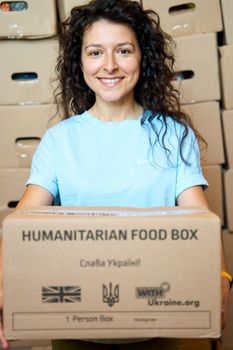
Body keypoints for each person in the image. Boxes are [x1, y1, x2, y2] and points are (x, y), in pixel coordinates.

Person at [0, 0, 231, 349]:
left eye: (123, 50)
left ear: (142, 58)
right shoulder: (60, 140)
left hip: (162, 326)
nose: (109, 65)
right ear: (80, 63)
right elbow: (22, 223)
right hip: (76, 327)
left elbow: (200, 218)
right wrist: (3, 289)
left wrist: (222, 279)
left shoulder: (172, 134)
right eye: (95, 52)